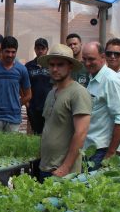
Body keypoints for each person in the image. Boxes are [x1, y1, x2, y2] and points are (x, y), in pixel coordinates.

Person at [38, 44, 92, 179]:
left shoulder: (78, 92)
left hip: (64, 171)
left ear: (70, 66)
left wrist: (66, 167)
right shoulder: (51, 93)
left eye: (60, 65)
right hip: (46, 165)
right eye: (52, 65)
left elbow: (81, 133)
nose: (55, 69)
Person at [82, 42, 120, 169]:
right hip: (90, 148)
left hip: (102, 150)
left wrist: (110, 153)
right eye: (84, 59)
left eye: (91, 59)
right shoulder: (93, 77)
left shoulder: (111, 80)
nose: (87, 63)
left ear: (103, 57)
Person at [0, 36, 31, 133]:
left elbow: (28, 95)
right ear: (1, 50)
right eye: (7, 51)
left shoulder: (22, 69)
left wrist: (17, 103)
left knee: (11, 143)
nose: (10, 55)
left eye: (13, 52)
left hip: (14, 118)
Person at [25, 38, 51, 135]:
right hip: (33, 106)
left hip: (49, 106)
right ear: (35, 49)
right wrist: (26, 103)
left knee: (48, 134)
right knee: (36, 134)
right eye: (38, 48)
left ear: (47, 49)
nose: (40, 51)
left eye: (43, 48)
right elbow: (23, 85)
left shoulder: (52, 65)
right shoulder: (28, 66)